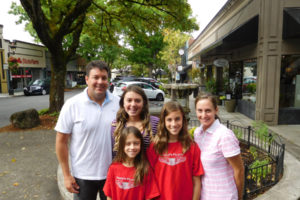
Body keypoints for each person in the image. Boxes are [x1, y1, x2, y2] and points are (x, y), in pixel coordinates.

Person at [55, 60, 120, 200]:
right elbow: (61, 142)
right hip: (82, 177)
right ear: (86, 79)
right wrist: (66, 175)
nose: (100, 81)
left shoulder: (118, 103)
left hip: (112, 174)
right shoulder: (72, 105)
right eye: (95, 77)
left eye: (104, 78)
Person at [147, 101, 204, 200]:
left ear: (183, 120)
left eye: (177, 119)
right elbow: (149, 179)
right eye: (169, 120)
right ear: (163, 122)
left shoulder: (192, 147)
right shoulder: (155, 147)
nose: (173, 124)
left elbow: (196, 180)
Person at [194, 94, 244, 200]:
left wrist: (239, 198)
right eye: (200, 110)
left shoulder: (224, 135)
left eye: (208, 110)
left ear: (216, 110)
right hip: (205, 195)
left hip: (224, 196)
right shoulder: (198, 133)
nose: (203, 115)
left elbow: (239, 170)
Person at [103, 126, 160, 200]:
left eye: (136, 143)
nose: (132, 147)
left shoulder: (146, 169)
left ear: (141, 145)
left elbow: (150, 196)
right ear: (122, 145)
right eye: (128, 144)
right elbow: (109, 195)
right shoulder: (113, 168)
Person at [111, 85, 159, 154]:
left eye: (137, 101)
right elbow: (114, 154)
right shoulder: (116, 125)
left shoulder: (155, 123)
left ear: (144, 103)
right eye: (129, 100)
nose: (133, 104)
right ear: (123, 103)